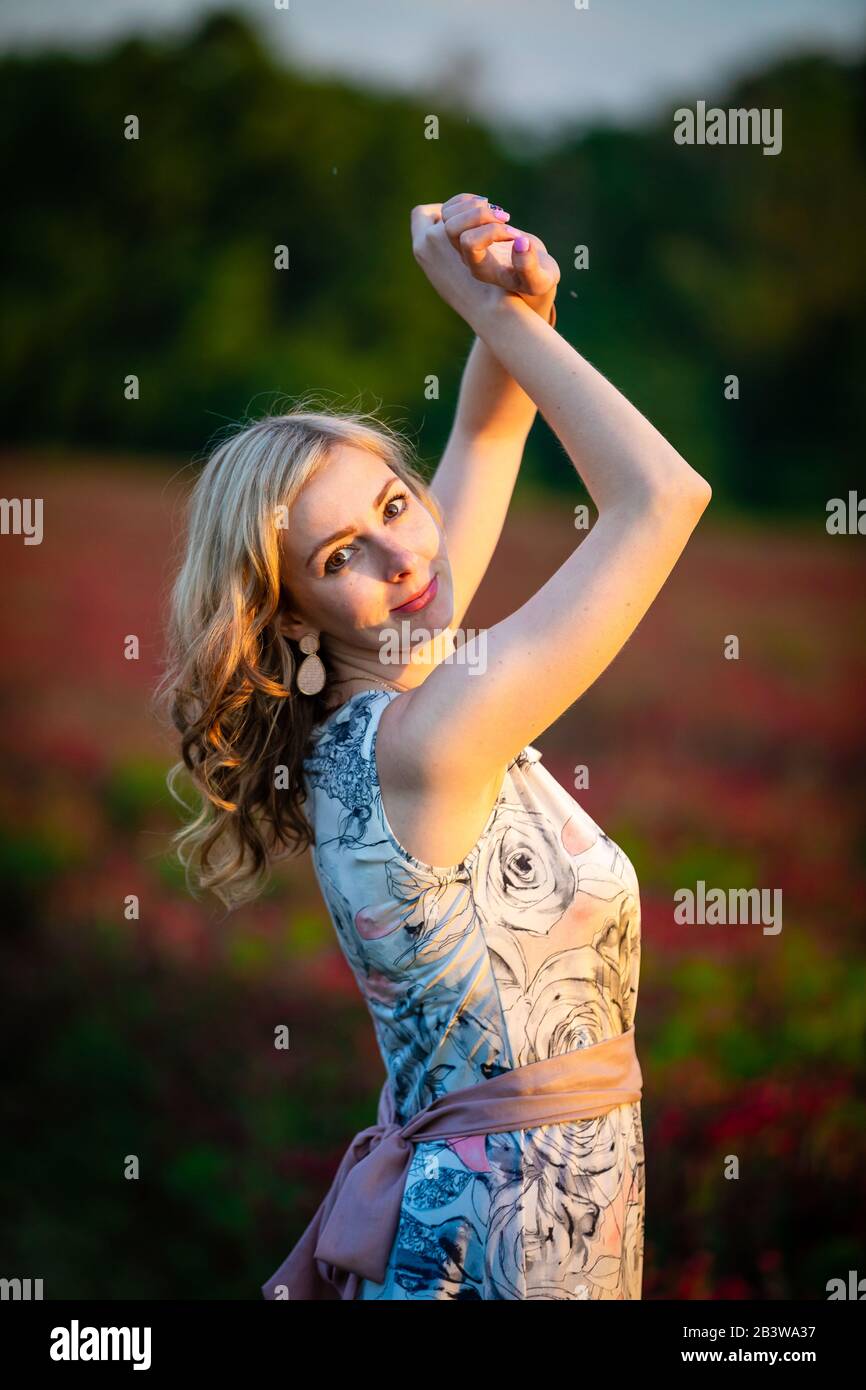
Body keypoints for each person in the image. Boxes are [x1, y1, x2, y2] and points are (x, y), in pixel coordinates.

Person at [157, 193, 712, 1300]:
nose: (403, 557)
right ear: (296, 616)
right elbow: (661, 498)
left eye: (397, 503)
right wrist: (488, 314)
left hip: (507, 1219)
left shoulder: (390, 697)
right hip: (513, 1247)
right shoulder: (432, 735)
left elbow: (485, 432)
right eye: (339, 555)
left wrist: (519, 305)